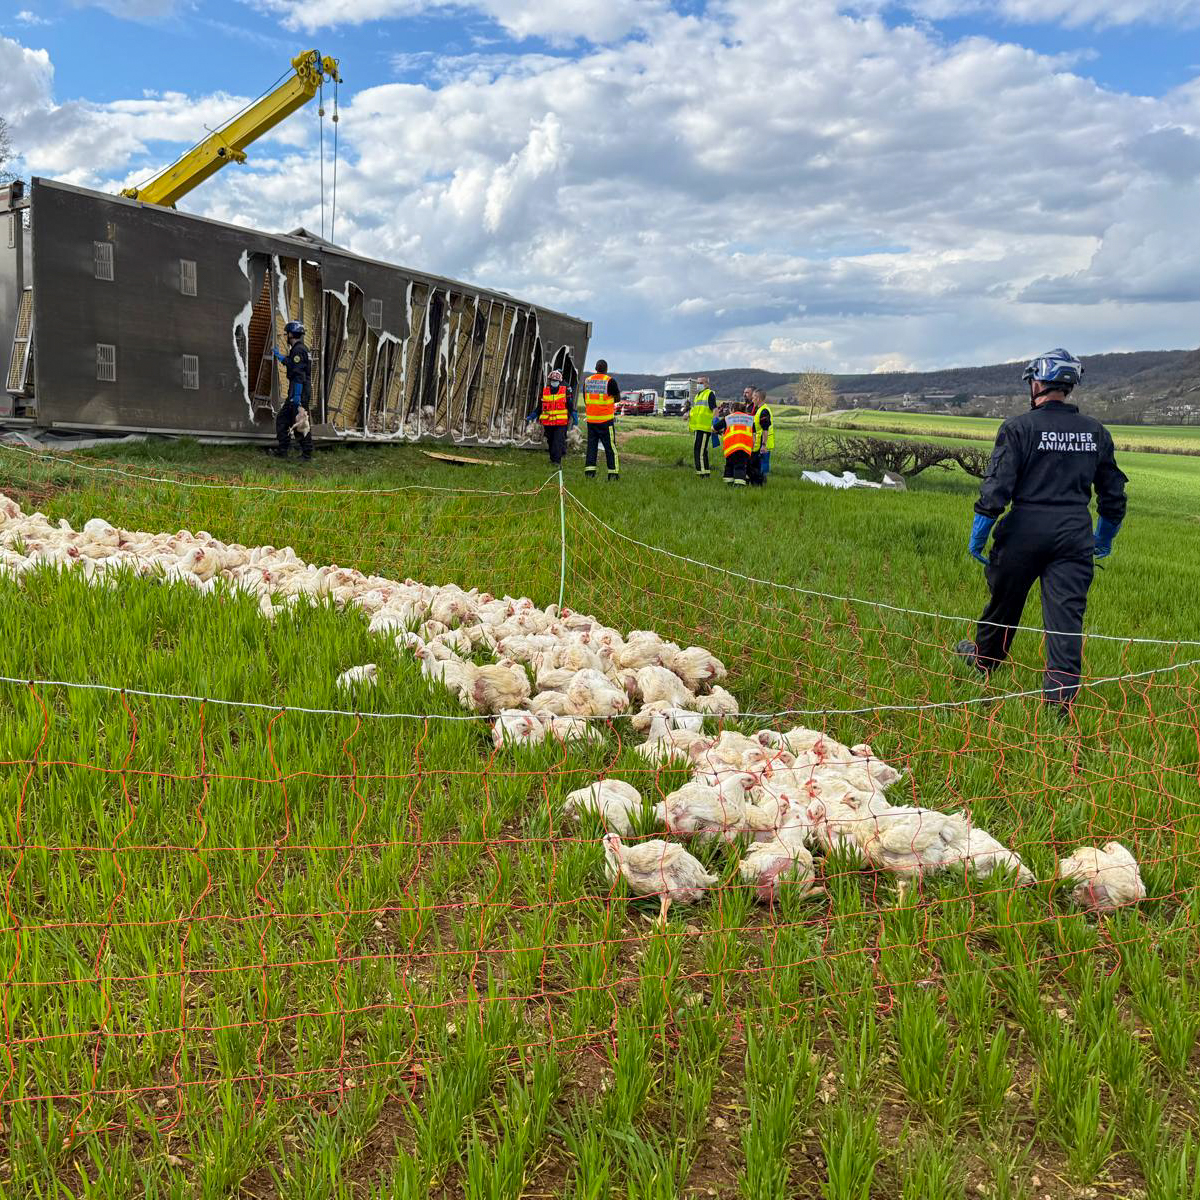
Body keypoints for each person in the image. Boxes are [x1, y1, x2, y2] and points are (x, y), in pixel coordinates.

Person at [956, 349, 1128, 715]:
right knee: (1065, 621)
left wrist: (979, 532)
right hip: (1073, 534)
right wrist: (1104, 537)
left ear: (1036, 383)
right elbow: (1113, 494)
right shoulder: (1096, 432)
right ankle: (1058, 705)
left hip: (1023, 532)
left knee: (1003, 603)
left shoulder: (1018, 428)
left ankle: (985, 664)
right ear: (1068, 387)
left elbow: (996, 487)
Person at [271, 320, 314, 460]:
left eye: (287, 334)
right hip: (297, 390)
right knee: (283, 420)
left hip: (299, 392)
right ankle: (283, 450)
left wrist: (296, 397)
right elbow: (292, 363)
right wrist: (279, 356)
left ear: (291, 334)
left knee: (300, 422)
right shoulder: (299, 349)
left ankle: (307, 454)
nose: (286, 336)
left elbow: (299, 375)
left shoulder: (298, 350)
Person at [582, 358, 621, 480]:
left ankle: (589, 473)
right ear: (606, 369)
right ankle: (613, 474)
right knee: (610, 447)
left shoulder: (587, 381)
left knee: (591, 447)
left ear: (595, 369)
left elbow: (585, 399)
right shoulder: (610, 381)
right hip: (605, 420)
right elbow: (618, 398)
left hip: (591, 420)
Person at [534, 367, 573, 468]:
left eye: (556, 380)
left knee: (558, 441)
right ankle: (553, 458)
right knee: (550, 441)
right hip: (548, 423)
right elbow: (540, 405)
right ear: (550, 380)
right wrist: (534, 414)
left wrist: (573, 414)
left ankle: (557, 461)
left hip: (561, 423)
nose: (554, 382)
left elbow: (570, 405)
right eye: (552, 380)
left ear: (560, 381)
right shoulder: (545, 391)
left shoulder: (565, 390)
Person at [713, 398, 755, 486]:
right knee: (740, 466)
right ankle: (739, 485)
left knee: (729, 465)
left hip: (731, 447)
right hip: (745, 447)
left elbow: (714, 428)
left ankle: (729, 484)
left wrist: (719, 431)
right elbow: (753, 435)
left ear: (732, 410)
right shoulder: (750, 419)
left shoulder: (728, 418)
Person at [689, 377, 717, 476]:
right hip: (698, 427)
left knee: (699, 451)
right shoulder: (698, 395)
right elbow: (696, 411)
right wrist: (688, 415)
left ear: (707, 384)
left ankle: (701, 474)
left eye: (701, 383)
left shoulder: (709, 394)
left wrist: (715, 425)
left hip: (705, 428)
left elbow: (715, 410)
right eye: (698, 383)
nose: (699, 384)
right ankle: (706, 472)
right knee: (701, 451)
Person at [751, 388, 774, 484]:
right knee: (757, 466)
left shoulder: (764, 411)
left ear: (758, 398)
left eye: (753, 397)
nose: (752, 400)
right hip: (759, 443)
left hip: (762, 444)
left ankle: (760, 485)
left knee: (760, 467)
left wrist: (763, 445)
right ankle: (758, 484)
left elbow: (765, 429)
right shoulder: (760, 409)